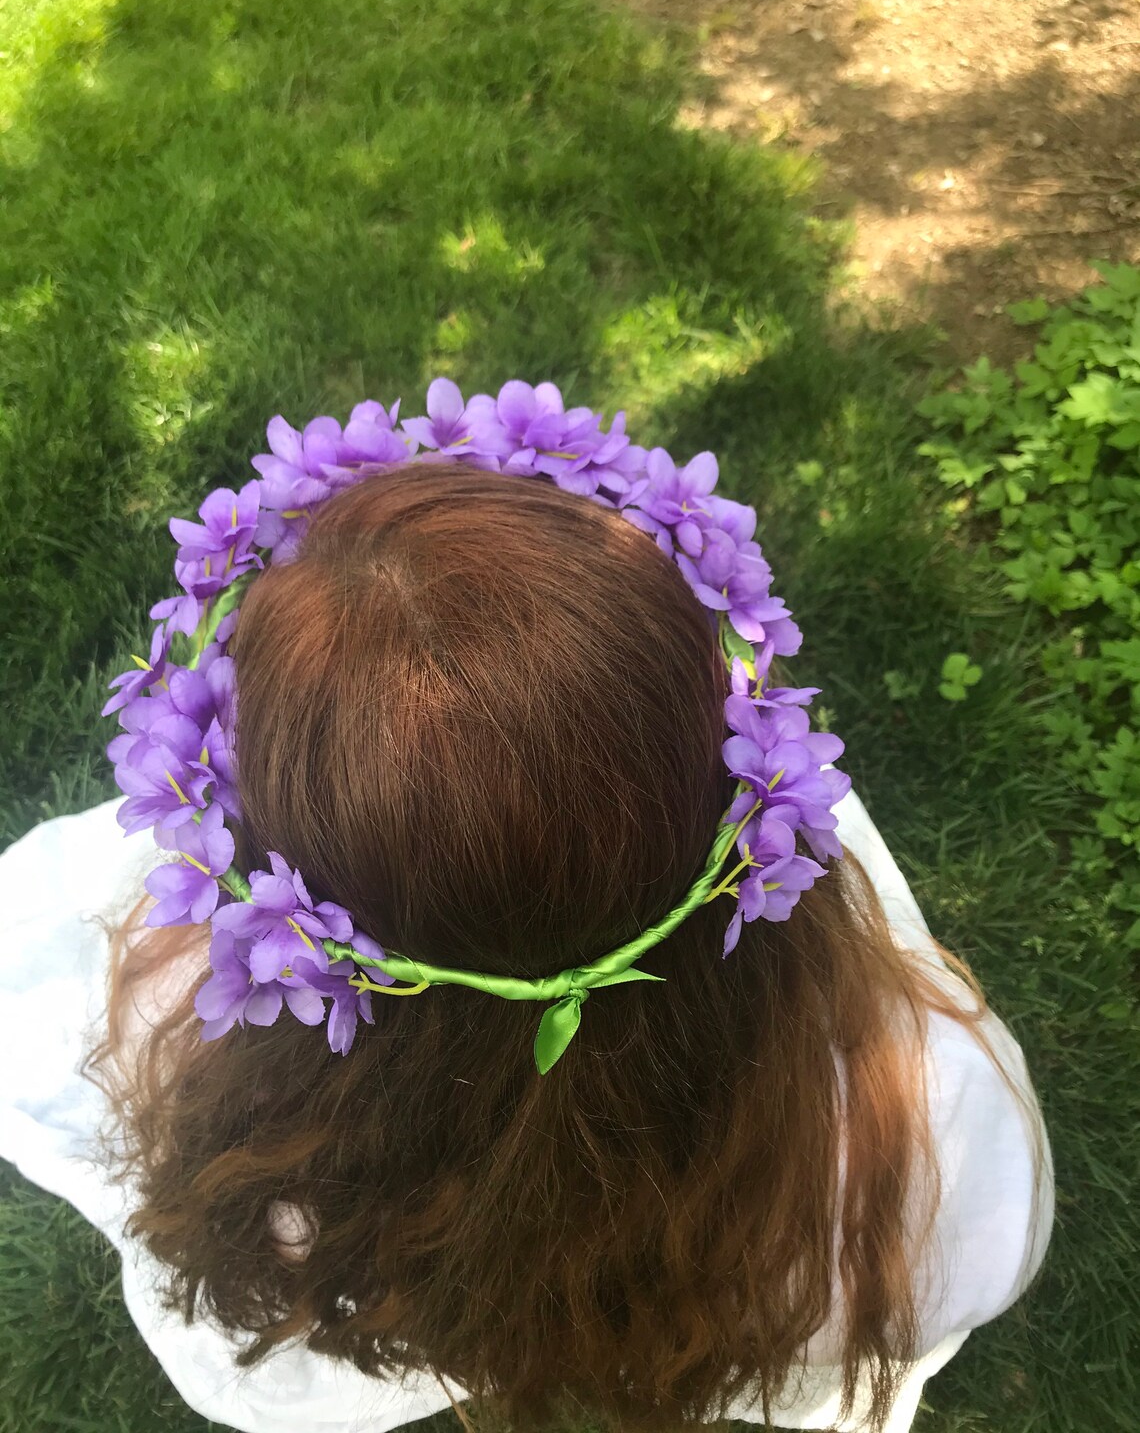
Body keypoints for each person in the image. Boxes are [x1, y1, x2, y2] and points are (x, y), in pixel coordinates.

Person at [0, 381, 1052, 1433]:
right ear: (715, 744)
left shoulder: (199, 1054)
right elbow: (977, 1244)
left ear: (274, 849)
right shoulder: (909, 1129)